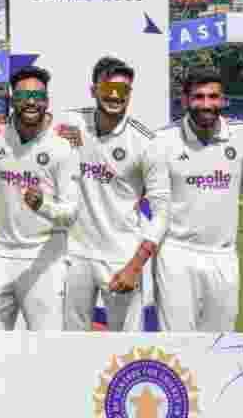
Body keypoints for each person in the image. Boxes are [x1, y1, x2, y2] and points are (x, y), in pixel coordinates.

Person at [52, 56, 170, 332]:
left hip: (121, 258)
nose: (115, 97)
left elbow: (162, 212)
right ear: (93, 91)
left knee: (125, 346)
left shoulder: (146, 143)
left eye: (123, 91)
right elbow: (33, 125)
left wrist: (136, 265)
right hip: (75, 255)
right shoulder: (71, 123)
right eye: (108, 90)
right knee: (70, 343)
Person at [150, 67, 243, 332]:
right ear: (185, 100)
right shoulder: (163, 140)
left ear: (223, 100)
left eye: (213, 97)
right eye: (198, 97)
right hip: (176, 254)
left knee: (220, 343)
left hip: (223, 255)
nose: (206, 104)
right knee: (176, 343)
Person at [0, 65, 77, 330]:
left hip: (46, 256)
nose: (31, 102)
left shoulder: (64, 142)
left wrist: (42, 205)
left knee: (47, 348)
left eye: (37, 96)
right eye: (22, 97)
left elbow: (71, 212)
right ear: (12, 100)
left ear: (47, 100)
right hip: (0, 253)